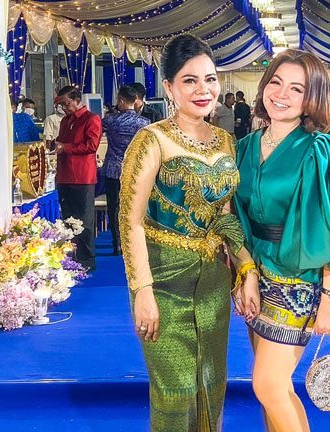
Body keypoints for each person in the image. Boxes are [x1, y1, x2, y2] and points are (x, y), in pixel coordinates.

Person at [232, 49, 330, 432]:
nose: (281, 94)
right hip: (256, 277)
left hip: (299, 281)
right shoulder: (245, 147)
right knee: (275, 389)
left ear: (312, 98)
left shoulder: (319, 150)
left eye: (296, 89)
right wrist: (245, 273)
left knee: (267, 385)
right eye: (276, 82)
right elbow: (235, 219)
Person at [118, 34, 248, 431]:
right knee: (174, 390)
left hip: (213, 280)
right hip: (163, 279)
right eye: (189, 80)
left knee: (211, 381)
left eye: (210, 79)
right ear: (170, 87)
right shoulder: (151, 140)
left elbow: (225, 215)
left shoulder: (226, 141)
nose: (203, 90)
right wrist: (142, 291)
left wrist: (245, 268)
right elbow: (130, 220)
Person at [54, 85, 102, 272]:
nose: (64, 108)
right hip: (64, 175)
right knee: (67, 219)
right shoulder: (65, 121)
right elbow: (61, 142)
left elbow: (91, 146)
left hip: (82, 176)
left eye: (67, 104)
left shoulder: (91, 119)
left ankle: (86, 260)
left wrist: (65, 147)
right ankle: (71, 258)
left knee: (84, 220)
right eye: (62, 105)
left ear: (77, 101)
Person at [102, 85, 150, 256]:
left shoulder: (110, 120)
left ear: (121, 101)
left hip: (113, 169)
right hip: (135, 171)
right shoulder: (143, 123)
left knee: (114, 207)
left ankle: (117, 243)